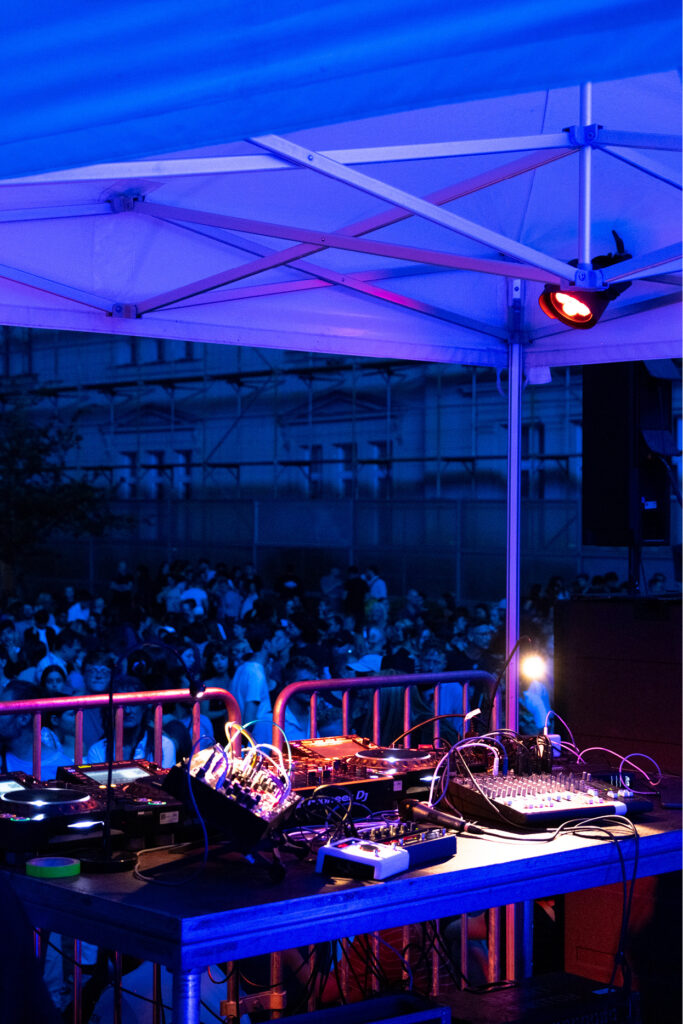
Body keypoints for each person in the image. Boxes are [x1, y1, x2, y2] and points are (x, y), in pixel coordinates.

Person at [229, 621, 276, 743]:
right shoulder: (256, 674)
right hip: (254, 743)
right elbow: (249, 719)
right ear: (266, 643)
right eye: (275, 639)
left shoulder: (242, 668)